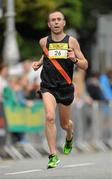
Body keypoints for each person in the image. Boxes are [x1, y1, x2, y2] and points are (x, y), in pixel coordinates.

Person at [32, 11, 88, 168]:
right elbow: (47, 55)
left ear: (63, 23)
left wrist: (74, 59)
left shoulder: (72, 42)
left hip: (65, 88)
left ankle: (69, 135)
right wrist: (39, 63)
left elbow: (85, 64)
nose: (56, 22)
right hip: (48, 86)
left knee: (64, 124)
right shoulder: (43, 42)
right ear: (49, 24)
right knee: (49, 117)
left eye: (59, 20)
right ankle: (53, 155)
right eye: (53, 20)